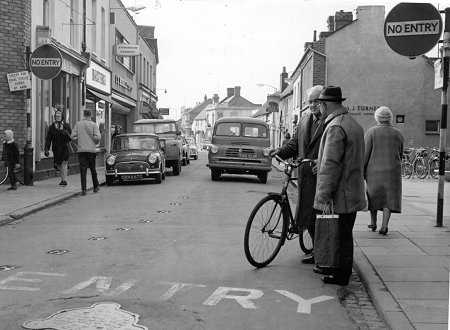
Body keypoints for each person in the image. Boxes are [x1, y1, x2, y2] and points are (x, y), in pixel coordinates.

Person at [313, 86, 366, 286]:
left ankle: (341, 275)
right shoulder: (353, 123)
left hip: (340, 193)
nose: (319, 109)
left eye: (320, 105)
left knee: (340, 235)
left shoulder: (336, 126)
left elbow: (331, 164)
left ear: (325, 105)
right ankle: (342, 272)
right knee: (345, 234)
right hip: (352, 189)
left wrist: (323, 194)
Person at [269, 85, 324, 264]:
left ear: (323, 101)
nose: (313, 104)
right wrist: (280, 150)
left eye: (317, 100)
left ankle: (320, 251)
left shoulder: (329, 123)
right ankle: (316, 249)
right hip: (304, 175)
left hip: (321, 176)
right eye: (310, 102)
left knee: (318, 215)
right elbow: (294, 143)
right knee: (307, 212)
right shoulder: (304, 120)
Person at [364, 106, 404, 235]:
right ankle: (384, 226)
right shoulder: (398, 133)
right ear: (390, 118)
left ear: (377, 117)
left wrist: (362, 169)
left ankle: (373, 222)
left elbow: (365, 153)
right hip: (393, 171)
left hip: (374, 171)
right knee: (389, 199)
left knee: (373, 196)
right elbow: (401, 153)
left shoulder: (371, 132)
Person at [71, 109, 101, 196]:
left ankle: (84, 190)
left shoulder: (78, 124)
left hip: (82, 150)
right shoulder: (94, 125)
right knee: (92, 168)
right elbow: (98, 137)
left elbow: (72, 136)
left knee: (83, 169)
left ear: (84, 115)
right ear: (90, 115)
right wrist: (94, 141)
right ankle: (96, 186)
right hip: (91, 150)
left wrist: (78, 140)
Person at [44, 110, 72, 186]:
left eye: (59, 116)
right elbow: (48, 139)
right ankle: (62, 179)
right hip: (56, 148)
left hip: (65, 147)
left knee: (64, 162)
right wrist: (46, 149)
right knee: (59, 163)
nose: (57, 118)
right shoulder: (52, 127)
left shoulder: (66, 125)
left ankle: (64, 180)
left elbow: (71, 137)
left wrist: (65, 132)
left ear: (62, 117)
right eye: (56, 116)